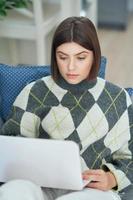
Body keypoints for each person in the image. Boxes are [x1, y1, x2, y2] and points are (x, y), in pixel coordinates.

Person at [0, 16, 133, 200]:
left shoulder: (118, 98)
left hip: (92, 191)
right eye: (63, 57)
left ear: (95, 55)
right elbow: (10, 143)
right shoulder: (35, 91)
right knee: (12, 193)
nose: (71, 66)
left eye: (81, 57)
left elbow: (129, 156)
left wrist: (111, 178)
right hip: (40, 183)